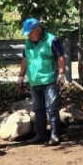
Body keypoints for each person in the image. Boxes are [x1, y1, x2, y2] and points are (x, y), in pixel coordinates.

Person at [17, 18, 66, 146]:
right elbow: (25, 59)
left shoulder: (51, 40)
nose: (28, 35)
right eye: (27, 33)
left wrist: (61, 73)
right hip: (34, 82)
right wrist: (21, 75)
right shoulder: (28, 43)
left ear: (38, 29)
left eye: (30, 32)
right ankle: (41, 134)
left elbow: (60, 57)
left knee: (52, 108)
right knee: (38, 109)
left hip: (50, 81)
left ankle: (55, 135)